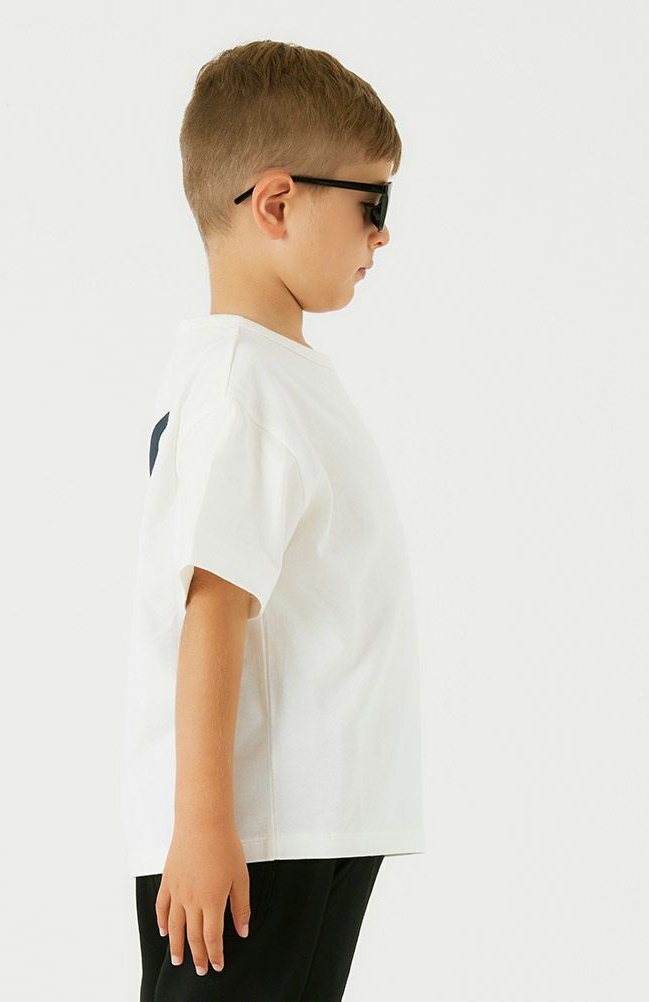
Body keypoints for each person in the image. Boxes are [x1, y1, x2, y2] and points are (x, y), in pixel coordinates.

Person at [119, 38, 426, 1000]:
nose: (382, 235)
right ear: (279, 203)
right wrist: (204, 827)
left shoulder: (273, 379)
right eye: (373, 204)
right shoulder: (242, 385)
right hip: (259, 837)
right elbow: (213, 605)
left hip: (302, 827)